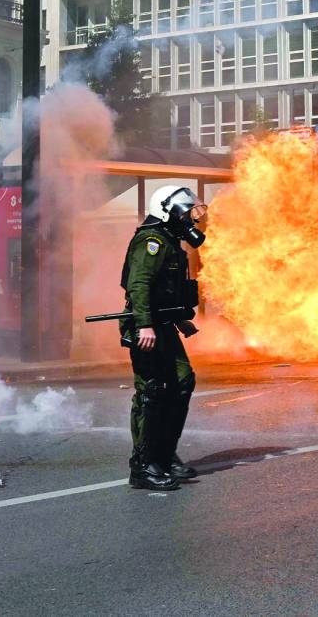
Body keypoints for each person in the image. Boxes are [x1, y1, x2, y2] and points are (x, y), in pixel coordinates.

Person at [120, 185, 207, 491]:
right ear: (166, 211)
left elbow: (165, 292)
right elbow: (139, 284)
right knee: (151, 392)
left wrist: (180, 319)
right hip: (146, 327)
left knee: (182, 382)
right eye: (184, 213)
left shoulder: (171, 242)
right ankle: (143, 466)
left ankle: (165, 455)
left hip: (163, 325)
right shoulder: (152, 241)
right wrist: (144, 325)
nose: (190, 219)